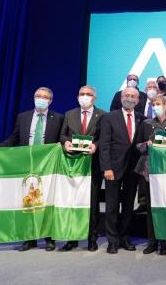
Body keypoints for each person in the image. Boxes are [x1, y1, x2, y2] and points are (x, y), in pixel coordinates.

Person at [0, 87, 64, 252]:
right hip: (26, 165)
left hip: (48, 166)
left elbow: (61, 141)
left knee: (47, 201)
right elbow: (13, 138)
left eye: (44, 97)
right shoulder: (23, 116)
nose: (40, 99)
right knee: (28, 201)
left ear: (50, 100)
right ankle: (29, 239)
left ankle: (49, 238)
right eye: (38, 96)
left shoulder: (58, 118)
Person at [99, 87, 146, 254]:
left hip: (133, 169)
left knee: (128, 206)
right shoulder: (109, 117)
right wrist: (107, 168)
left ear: (138, 100)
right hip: (113, 168)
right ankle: (112, 240)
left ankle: (125, 237)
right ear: (121, 98)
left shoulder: (142, 119)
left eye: (133, 96)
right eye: (127, 95)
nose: (130, 98)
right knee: (111, 206)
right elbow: (104, 145)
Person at [59, 85, 105, 252]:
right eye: (81, 94)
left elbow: (104, 138)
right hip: (73, 165)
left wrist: (96, 146)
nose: (84, 96)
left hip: (92, 165)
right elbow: (62, 135)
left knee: (92, 203)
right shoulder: (69, 114)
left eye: (88, 94)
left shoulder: (103, 115)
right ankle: (72, 238)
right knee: (73, 201)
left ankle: (92, 238)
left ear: (94, 98)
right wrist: (66, 142)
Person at [135, 94, 166, 256]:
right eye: (153, 104)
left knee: (164, 206)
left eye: (158, 104)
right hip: (148, 169)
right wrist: (147, 144)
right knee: (151, 207)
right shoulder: (145, 124)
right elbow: (137, 145)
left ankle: (164, 242)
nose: (155, 107)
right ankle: (152, 241)